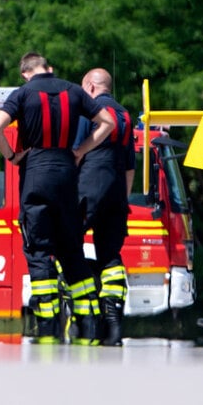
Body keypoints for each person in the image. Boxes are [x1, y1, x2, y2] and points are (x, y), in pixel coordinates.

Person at [0, 53, 115, 344]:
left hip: (36, 173)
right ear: (50, 68)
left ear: (25, 74)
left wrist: (11, 156)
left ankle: (48, 327)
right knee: (72, 251)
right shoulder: (73, 90)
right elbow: (106, 122)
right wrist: (80, 151)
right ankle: (88, 324)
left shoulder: (21, 94)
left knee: (39, 251)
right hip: (67, 174)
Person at [74, 68, 136, 346]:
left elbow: (76, 152)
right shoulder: (125, 115)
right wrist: (123, 200)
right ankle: (113, 324)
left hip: (89, 184)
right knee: (110, 255)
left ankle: (84, 317)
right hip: (116, 192)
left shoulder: (89, 109)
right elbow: (130, 166)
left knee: (69, 244)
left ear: (88, 85)